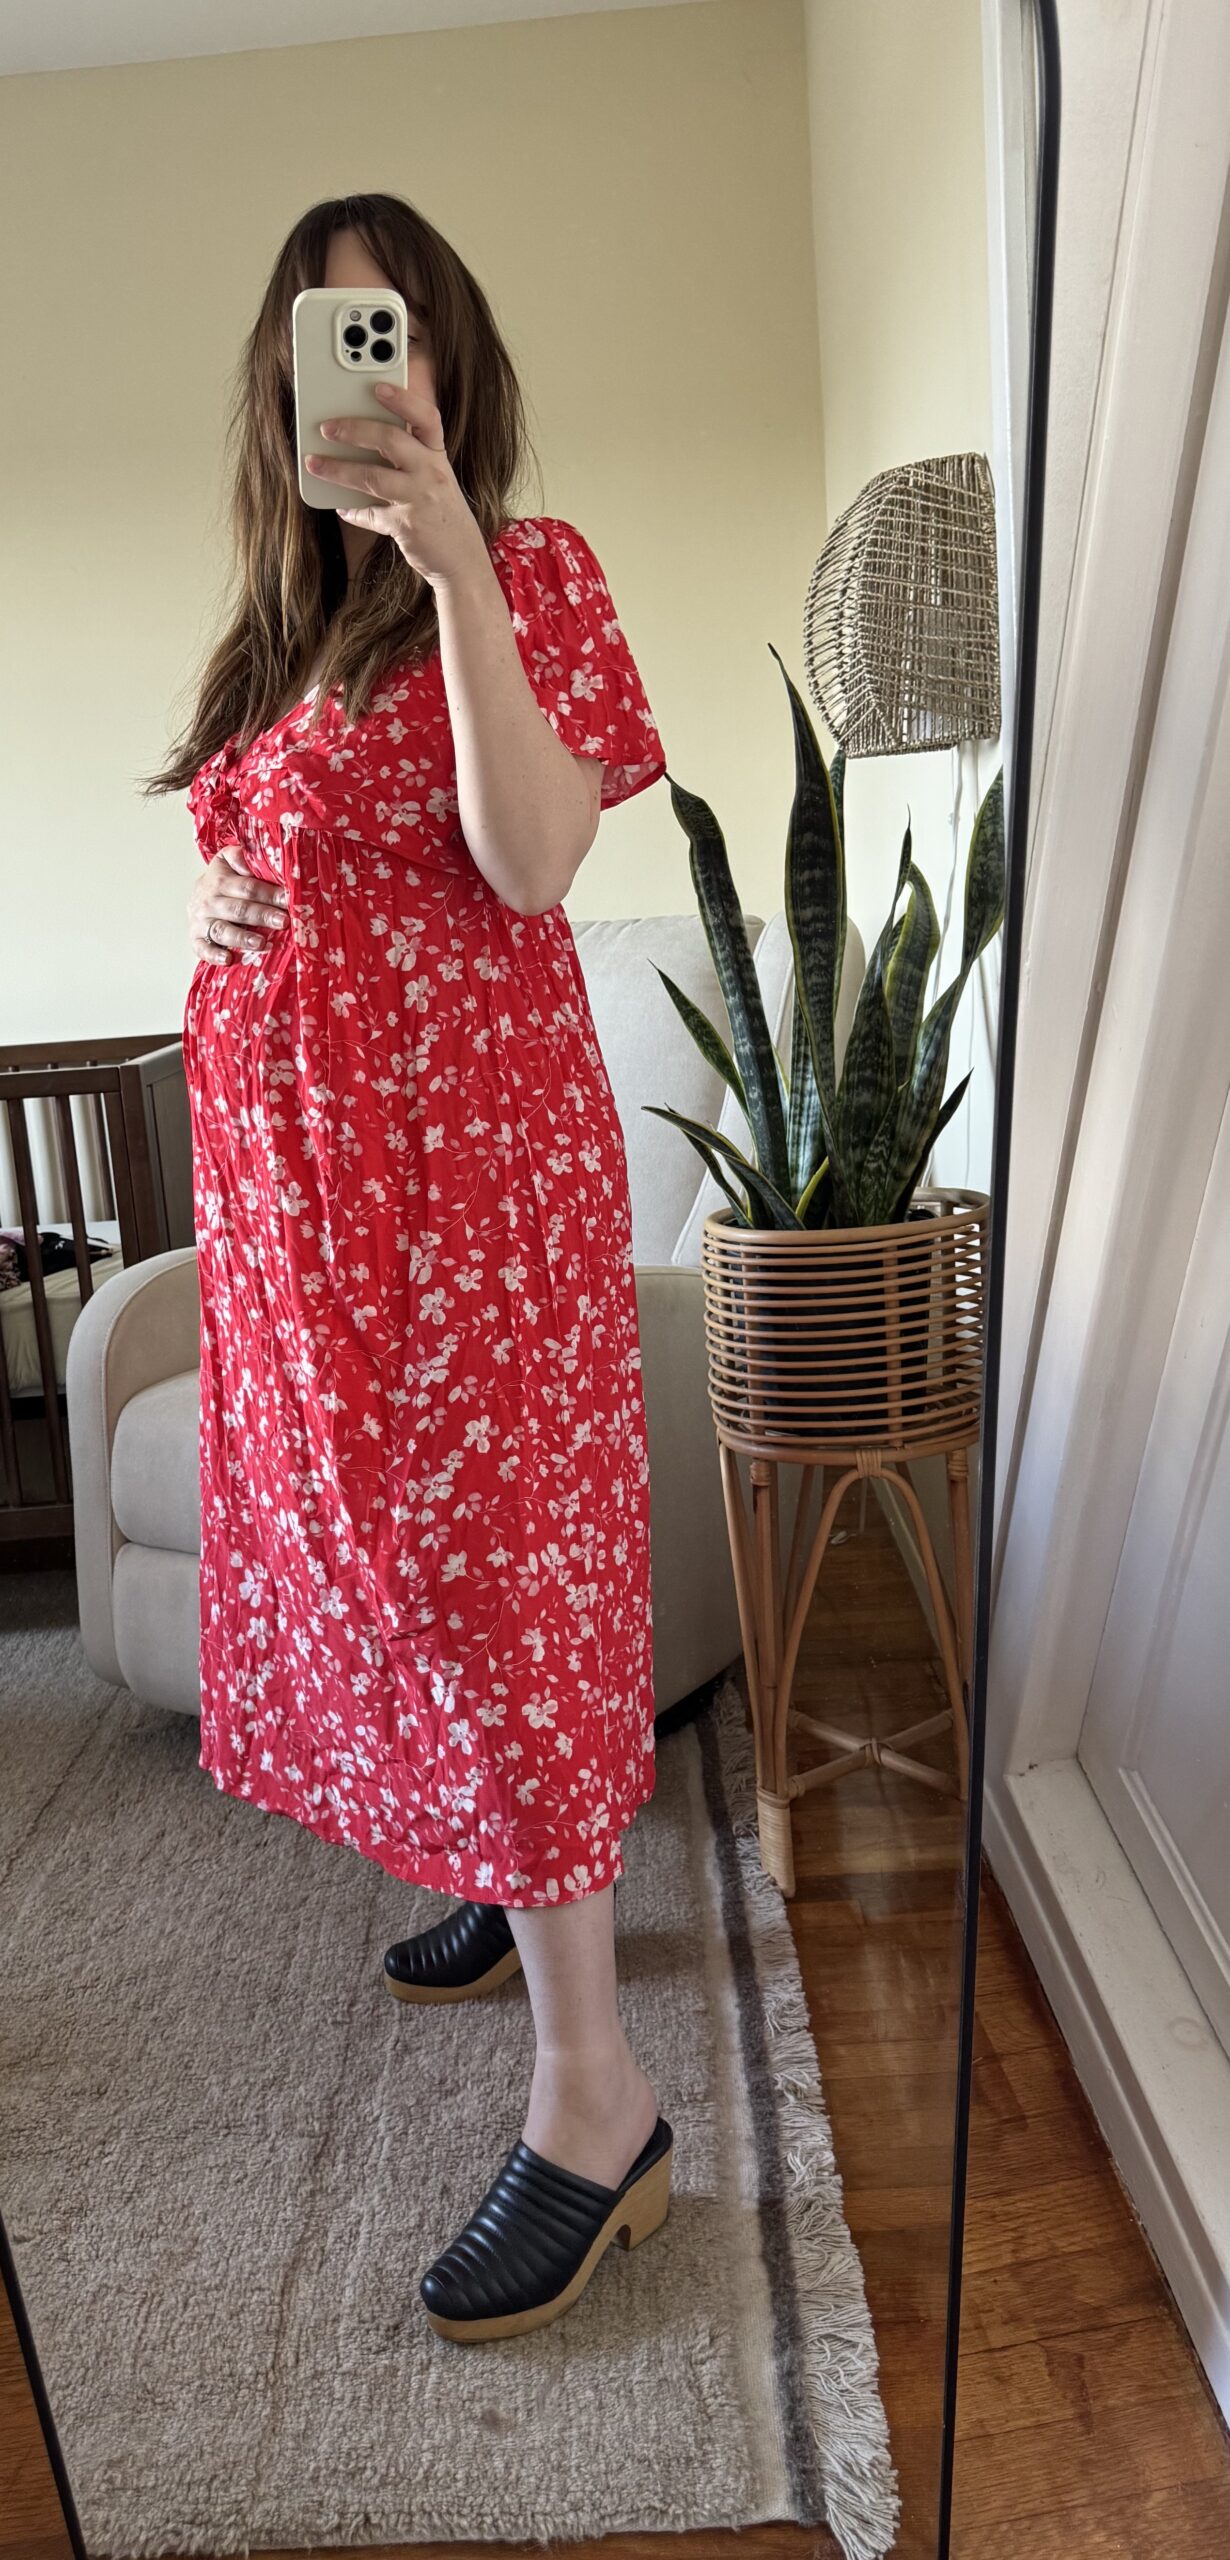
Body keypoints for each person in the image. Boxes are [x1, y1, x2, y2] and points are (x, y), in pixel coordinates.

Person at [140, 192, 672, 2344]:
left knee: (490, 1573)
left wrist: (455, 566)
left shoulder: (530, 571)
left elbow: (528, 863)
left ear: (452, 355)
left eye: (401, 327)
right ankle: (491, 1853)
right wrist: (217, 924)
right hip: (305, 1207)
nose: (374, 368)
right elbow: (274, 857)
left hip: (471, 1199)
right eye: (330, 335)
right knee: (376, 1551)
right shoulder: (276, 637)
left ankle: (596, 2099)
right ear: (287, 386)